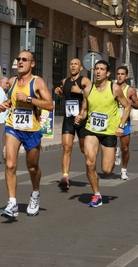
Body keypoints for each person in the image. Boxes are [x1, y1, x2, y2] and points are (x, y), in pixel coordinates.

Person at [0, 50, 54, 218]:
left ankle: (35, 194)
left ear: (32, 64)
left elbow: (49, 105)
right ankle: (12, 203)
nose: (20, 61)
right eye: (18, 59)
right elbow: (9, 101)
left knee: (32, 167)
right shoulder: (12, 81)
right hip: (13, 127)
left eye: (24, 59)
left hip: (32, 130)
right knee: (10, 164)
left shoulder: (37, 82)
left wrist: (28, 99)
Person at [75, 60, 130, 207]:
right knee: (89, 161)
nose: (98, 71)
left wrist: (121, 126)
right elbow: (85, 110)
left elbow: (127, 106)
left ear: (108, 73)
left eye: (102, 69)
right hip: (91, 130)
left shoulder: (115, 88)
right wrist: (80, 116)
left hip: (109, 132)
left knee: (107, 170)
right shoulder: (88, 89)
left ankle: (115, 153)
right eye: (96, 69)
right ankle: (96, 194)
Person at [54, 58, 92, 191]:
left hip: (81, 119)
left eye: (76, 64)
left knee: (84, 150)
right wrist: (59, 92)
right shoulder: (65, 81)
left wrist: (81, 92)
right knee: (66, 147)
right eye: (71, 64)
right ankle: (65, 177)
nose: (73, 66)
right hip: (69, 118)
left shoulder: (84, 81)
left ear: (80, 68)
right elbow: (66, 96)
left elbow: (92, 96)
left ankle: (92, 172)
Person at [115, 66, 138, 180]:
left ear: (126, 76)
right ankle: (116, 151)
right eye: (118, 73)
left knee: (125, 147)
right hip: (112, 121)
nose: (120, 76)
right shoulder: (112, 87)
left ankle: (124, 170)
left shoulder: (129, 90)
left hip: (125, 122)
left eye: (122, 74)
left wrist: (131, 103)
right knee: (109, 146)